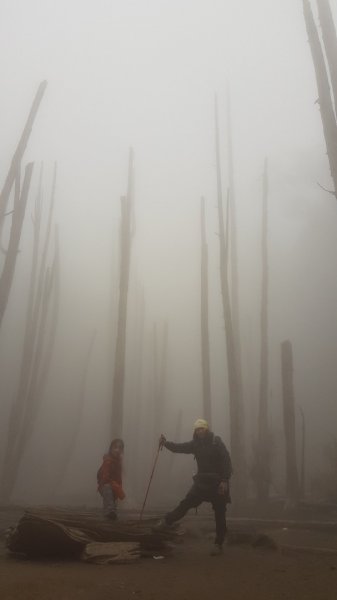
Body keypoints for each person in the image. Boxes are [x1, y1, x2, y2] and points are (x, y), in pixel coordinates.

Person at [157, 418, 232, 556]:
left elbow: (226, 460)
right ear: (195, 431)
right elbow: (179, 447)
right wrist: (166, 443)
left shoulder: (216, 442)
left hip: (218, 483)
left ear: (206, 429)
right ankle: (166, 521)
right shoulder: (195, 444)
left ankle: (218, 543)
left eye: (202, 428)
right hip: (202, 482)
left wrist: (224, 480)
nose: (199, 431)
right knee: (186, 503)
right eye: (197, 429)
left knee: (220, 513)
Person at [97, 438, 125, 520]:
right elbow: (104, 478)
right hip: (105, 486)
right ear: (111, 449)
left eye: (120, 448)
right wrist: (114, 484)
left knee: (113, 499)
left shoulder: (118, 462)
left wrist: (119, 488)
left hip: (114, 486)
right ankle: (110, 511)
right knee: (108, 489)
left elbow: (119, 478)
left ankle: (111, 512)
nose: (117, 450)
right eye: (115, 447)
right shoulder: (108, 460)